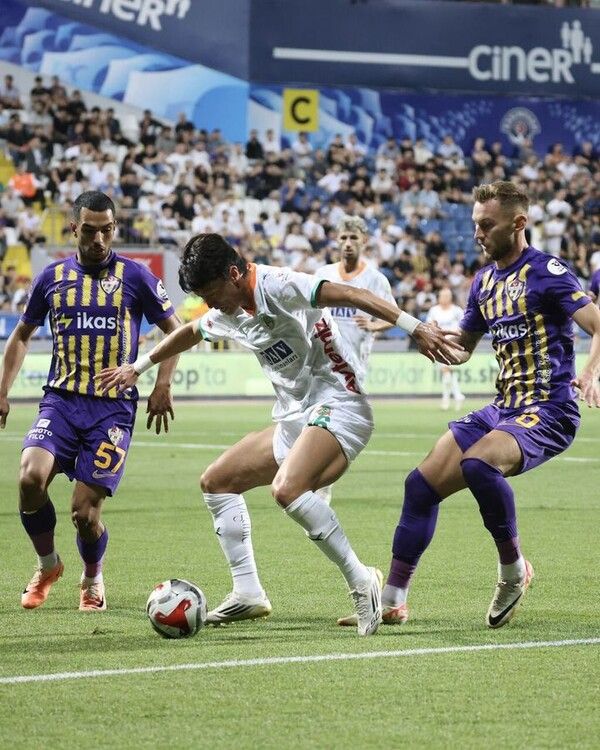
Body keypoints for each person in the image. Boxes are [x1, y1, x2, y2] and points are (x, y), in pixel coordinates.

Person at [98, 233, 461, 636]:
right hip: (295, 418)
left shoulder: (280, 285)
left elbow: (353, 294)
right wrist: (139, 368)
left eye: (211, 294)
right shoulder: (229, 309)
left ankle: (362, 582)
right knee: (216, 482)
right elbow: (193, 331)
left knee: (287, 489)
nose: (210, 304)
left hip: (340, 405)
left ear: (233, 274)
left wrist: (415, 327)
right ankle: (248, 592)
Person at [338, 180, 600, 631]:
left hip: (550, 409)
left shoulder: (547, 273)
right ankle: (394, 601)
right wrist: (436, 344)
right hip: (504, 406)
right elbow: (465, 348)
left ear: (518, 223)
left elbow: (597, 324)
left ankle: (514, 571)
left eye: (487, 225)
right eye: (475, 224)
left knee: (479, 465)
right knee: (420, 485)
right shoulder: (484, 281)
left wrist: (591, 373)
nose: (477, 233)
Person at [0, 191, 181, 612]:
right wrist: (2, 390)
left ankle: (92, 577)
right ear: (74, 229)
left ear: (114, 229)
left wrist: (163, 384)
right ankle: (48, 565)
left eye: (107, 230)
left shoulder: (136, 277)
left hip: (112, 410)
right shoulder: (52, 278)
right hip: (60, 402)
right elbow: (22, 335)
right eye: (90, 231)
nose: (99, 239)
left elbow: (176, 330)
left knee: (84, 514)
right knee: (29, 479)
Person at [314, 215, 395, 503]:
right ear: (336, 241)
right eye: (344, 238)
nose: (348, 243)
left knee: (334, 425)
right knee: (314, 421)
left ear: (364, 242)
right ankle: (316, 479)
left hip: (352, 368)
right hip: (319, 363)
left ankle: (323, 480)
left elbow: (392, 315)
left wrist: (373, 325)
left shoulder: (375, 279)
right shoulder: (323, 273)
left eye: (353, 238)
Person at [426, 288, 465, 410]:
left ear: (451, 297)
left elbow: (464, 326)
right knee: (447, 373)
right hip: (439, 344)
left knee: (446, 370)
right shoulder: (434, 310)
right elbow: (429, 325)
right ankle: (457, 396)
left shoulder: (457, 311)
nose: (444, 298)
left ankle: (447, 399)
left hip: (453, 344)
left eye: (446, 295)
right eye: (442, 295)